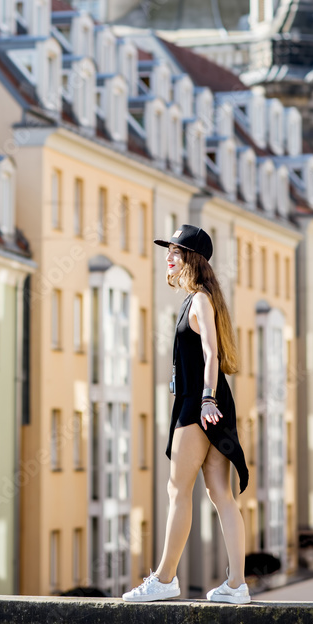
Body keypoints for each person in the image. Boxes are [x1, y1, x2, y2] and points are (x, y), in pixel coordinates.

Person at [122, 224, 250, 605]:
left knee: (178, 492)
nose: (168, 257)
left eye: (174, 251)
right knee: (220, 495)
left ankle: (164, 579)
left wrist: (207, 399)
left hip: (199, 404)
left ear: (191, 258)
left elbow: (211, 354)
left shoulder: (199, 300)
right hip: (211, 403)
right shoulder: (205, 298)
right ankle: (237, 585)